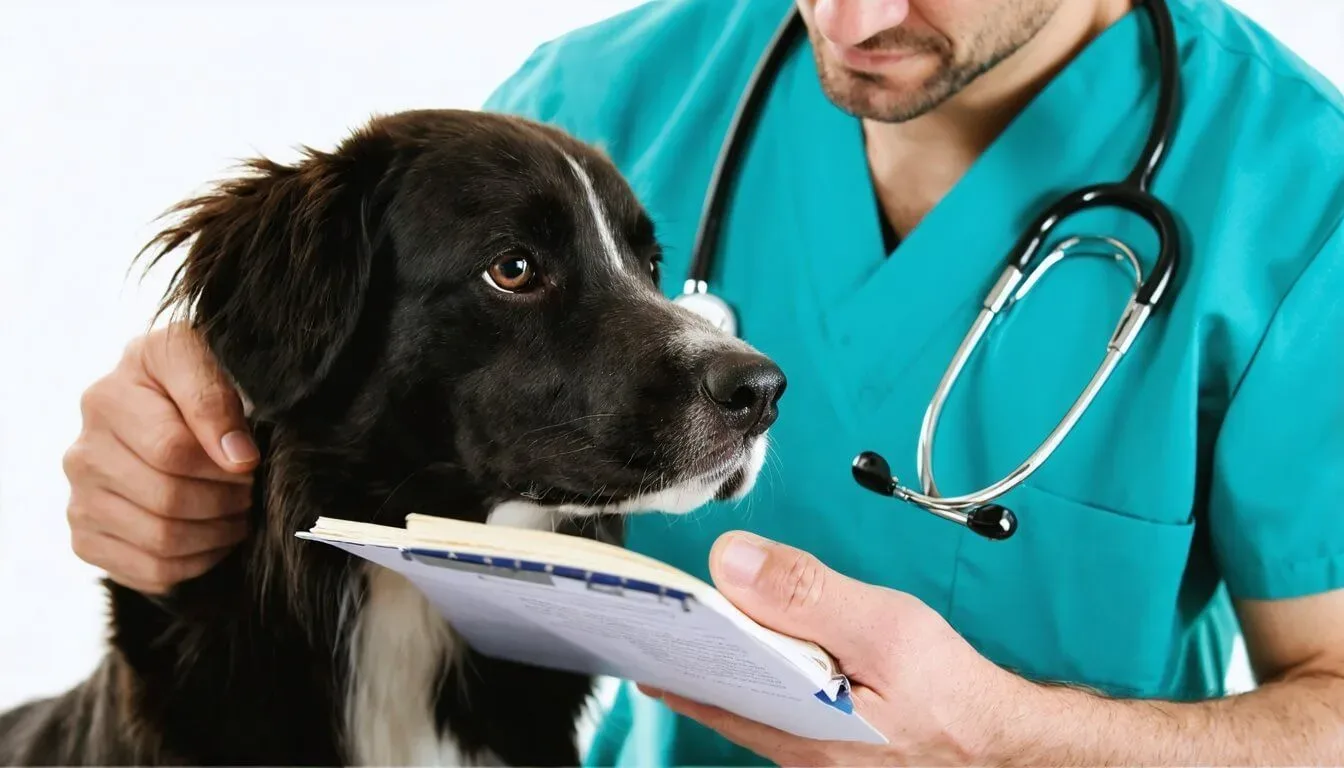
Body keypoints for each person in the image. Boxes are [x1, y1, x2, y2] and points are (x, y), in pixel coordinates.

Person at [62, 0, 1344, 764]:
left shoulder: (1295, 201)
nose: (847, 20)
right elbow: (368, 383)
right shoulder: (615, 90)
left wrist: (1020, 742)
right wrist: (181, 428)